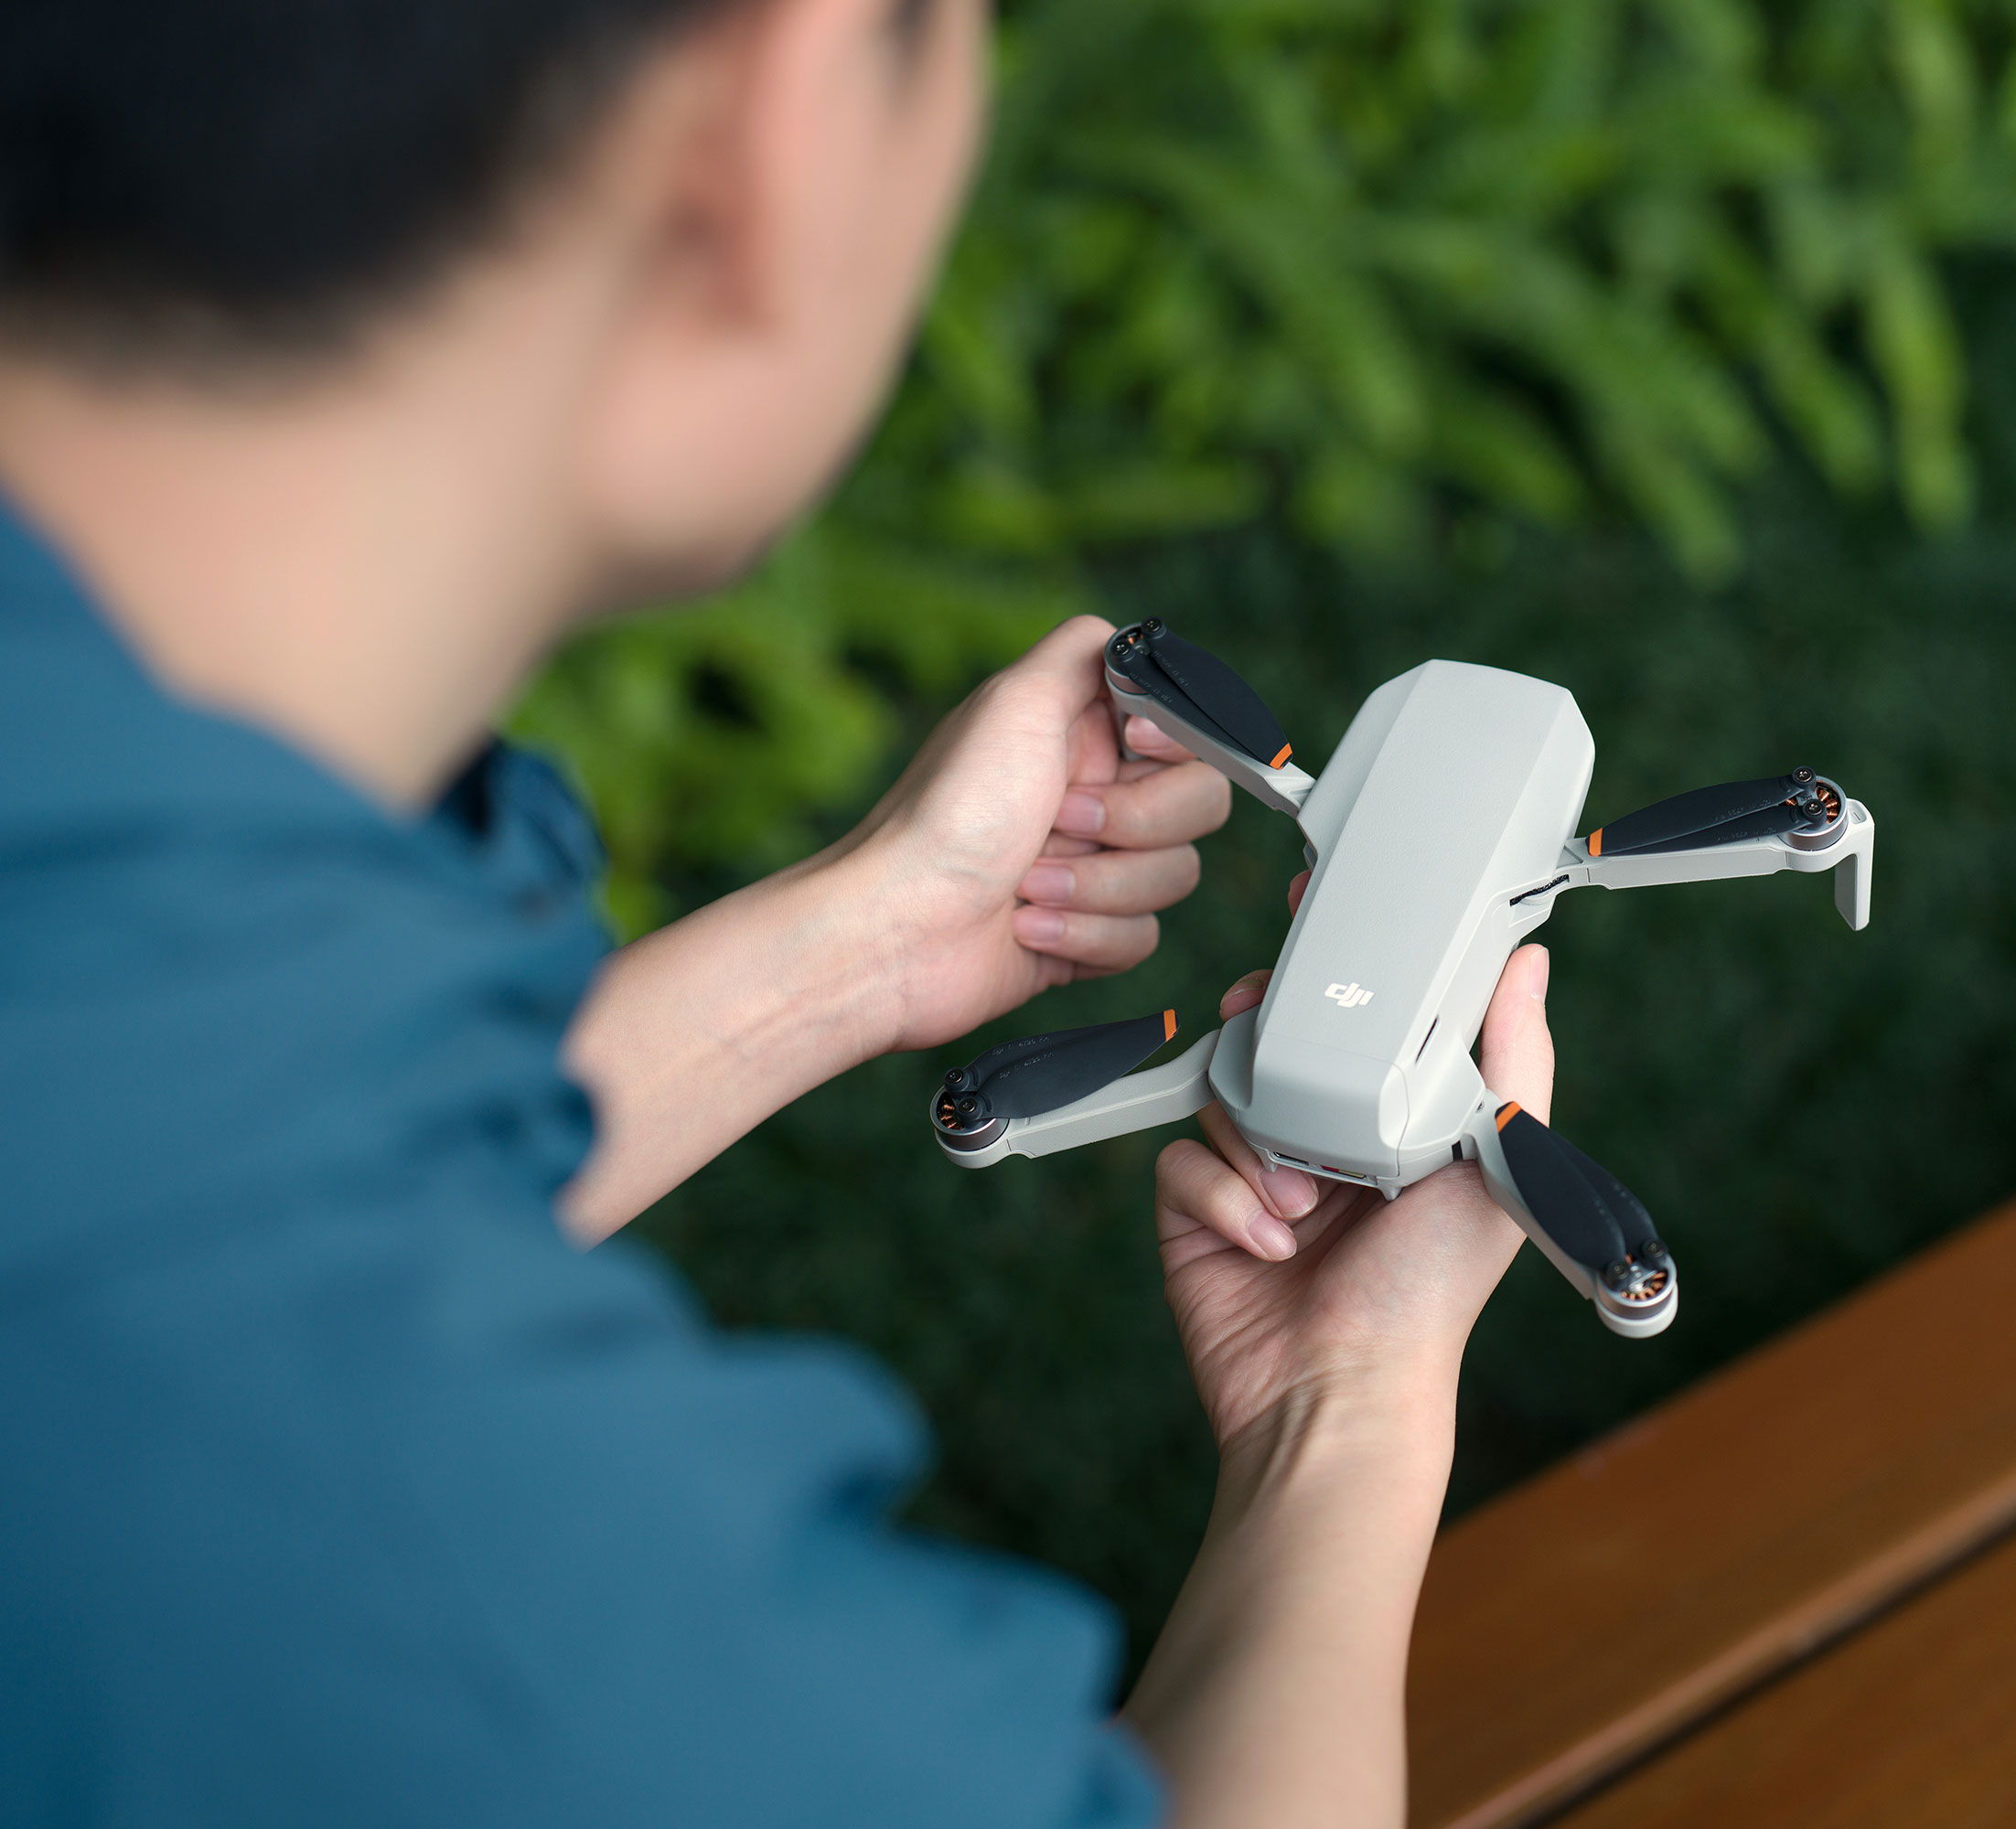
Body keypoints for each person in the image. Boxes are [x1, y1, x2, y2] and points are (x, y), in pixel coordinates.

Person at [0, 2, 1557, 1824]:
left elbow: (187, 1129)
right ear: (782, 110)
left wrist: (864, 942)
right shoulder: (494, 1629)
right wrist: (1341, 1420)